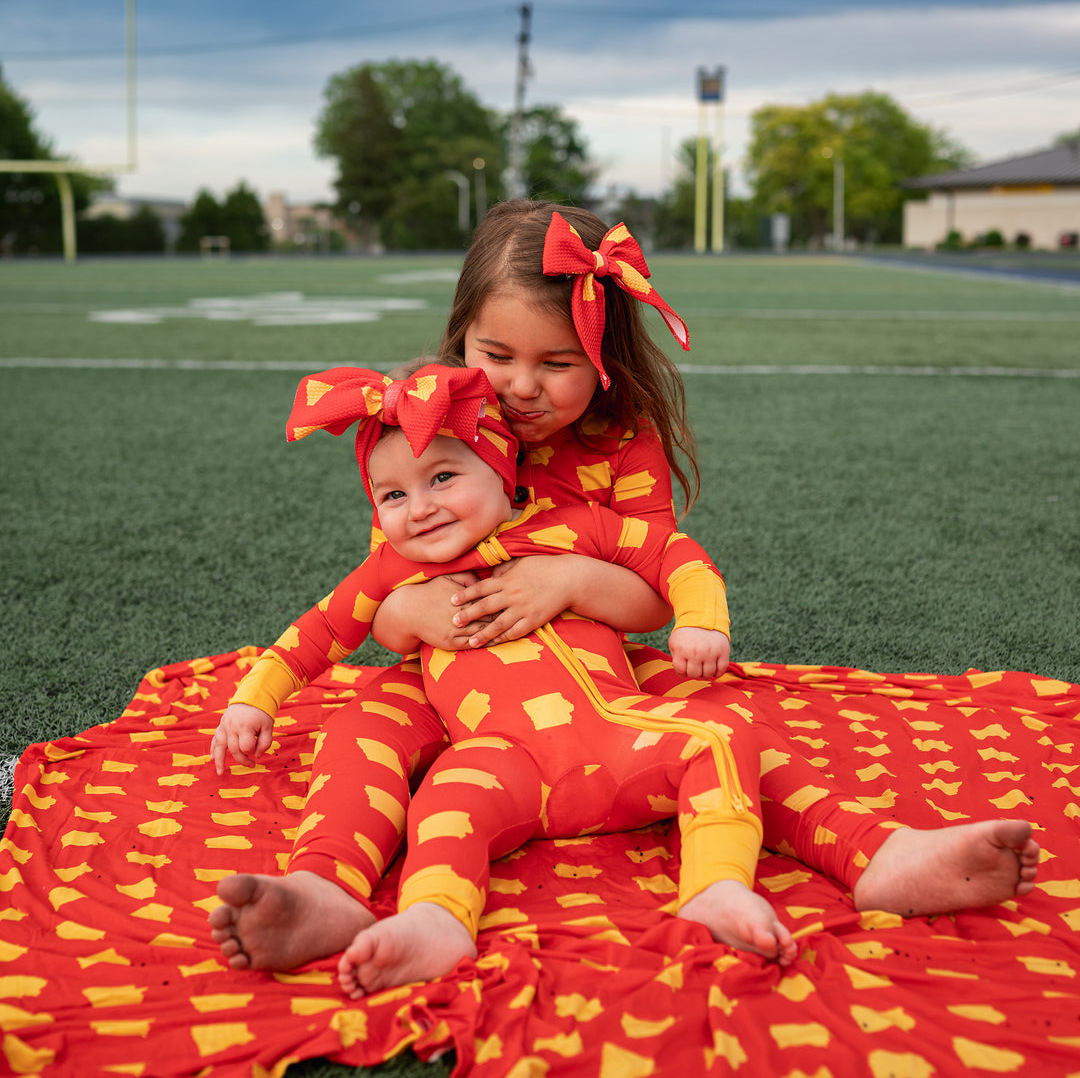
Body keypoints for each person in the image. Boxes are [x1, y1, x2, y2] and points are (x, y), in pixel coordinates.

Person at [209, 202, 1039, 979]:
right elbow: (370, 595)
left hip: (602, 662)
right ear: (461, 337)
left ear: (600, 358)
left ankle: (876, 851)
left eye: (556, 363)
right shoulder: (430, 426)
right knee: (363, 727)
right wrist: (408, 613)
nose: (520, 387)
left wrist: (567, 578)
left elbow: (653, 595)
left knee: (726, 729)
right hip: (450, 684)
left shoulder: (621, 444)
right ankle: (327, 890)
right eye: (496, 357)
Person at [225, 363, 803, 993]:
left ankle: (717, 889)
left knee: (719, 735)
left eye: (443, 477)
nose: (419, 509)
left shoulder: (570, 527)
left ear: (503, 474)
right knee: (445, 801)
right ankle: (435, 920)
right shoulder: (391, 570)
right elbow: (315, 633)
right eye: (392, 496)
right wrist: (254, 700)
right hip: (503, 764)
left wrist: (700, 622)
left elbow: (674, 554)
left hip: (620, 739)